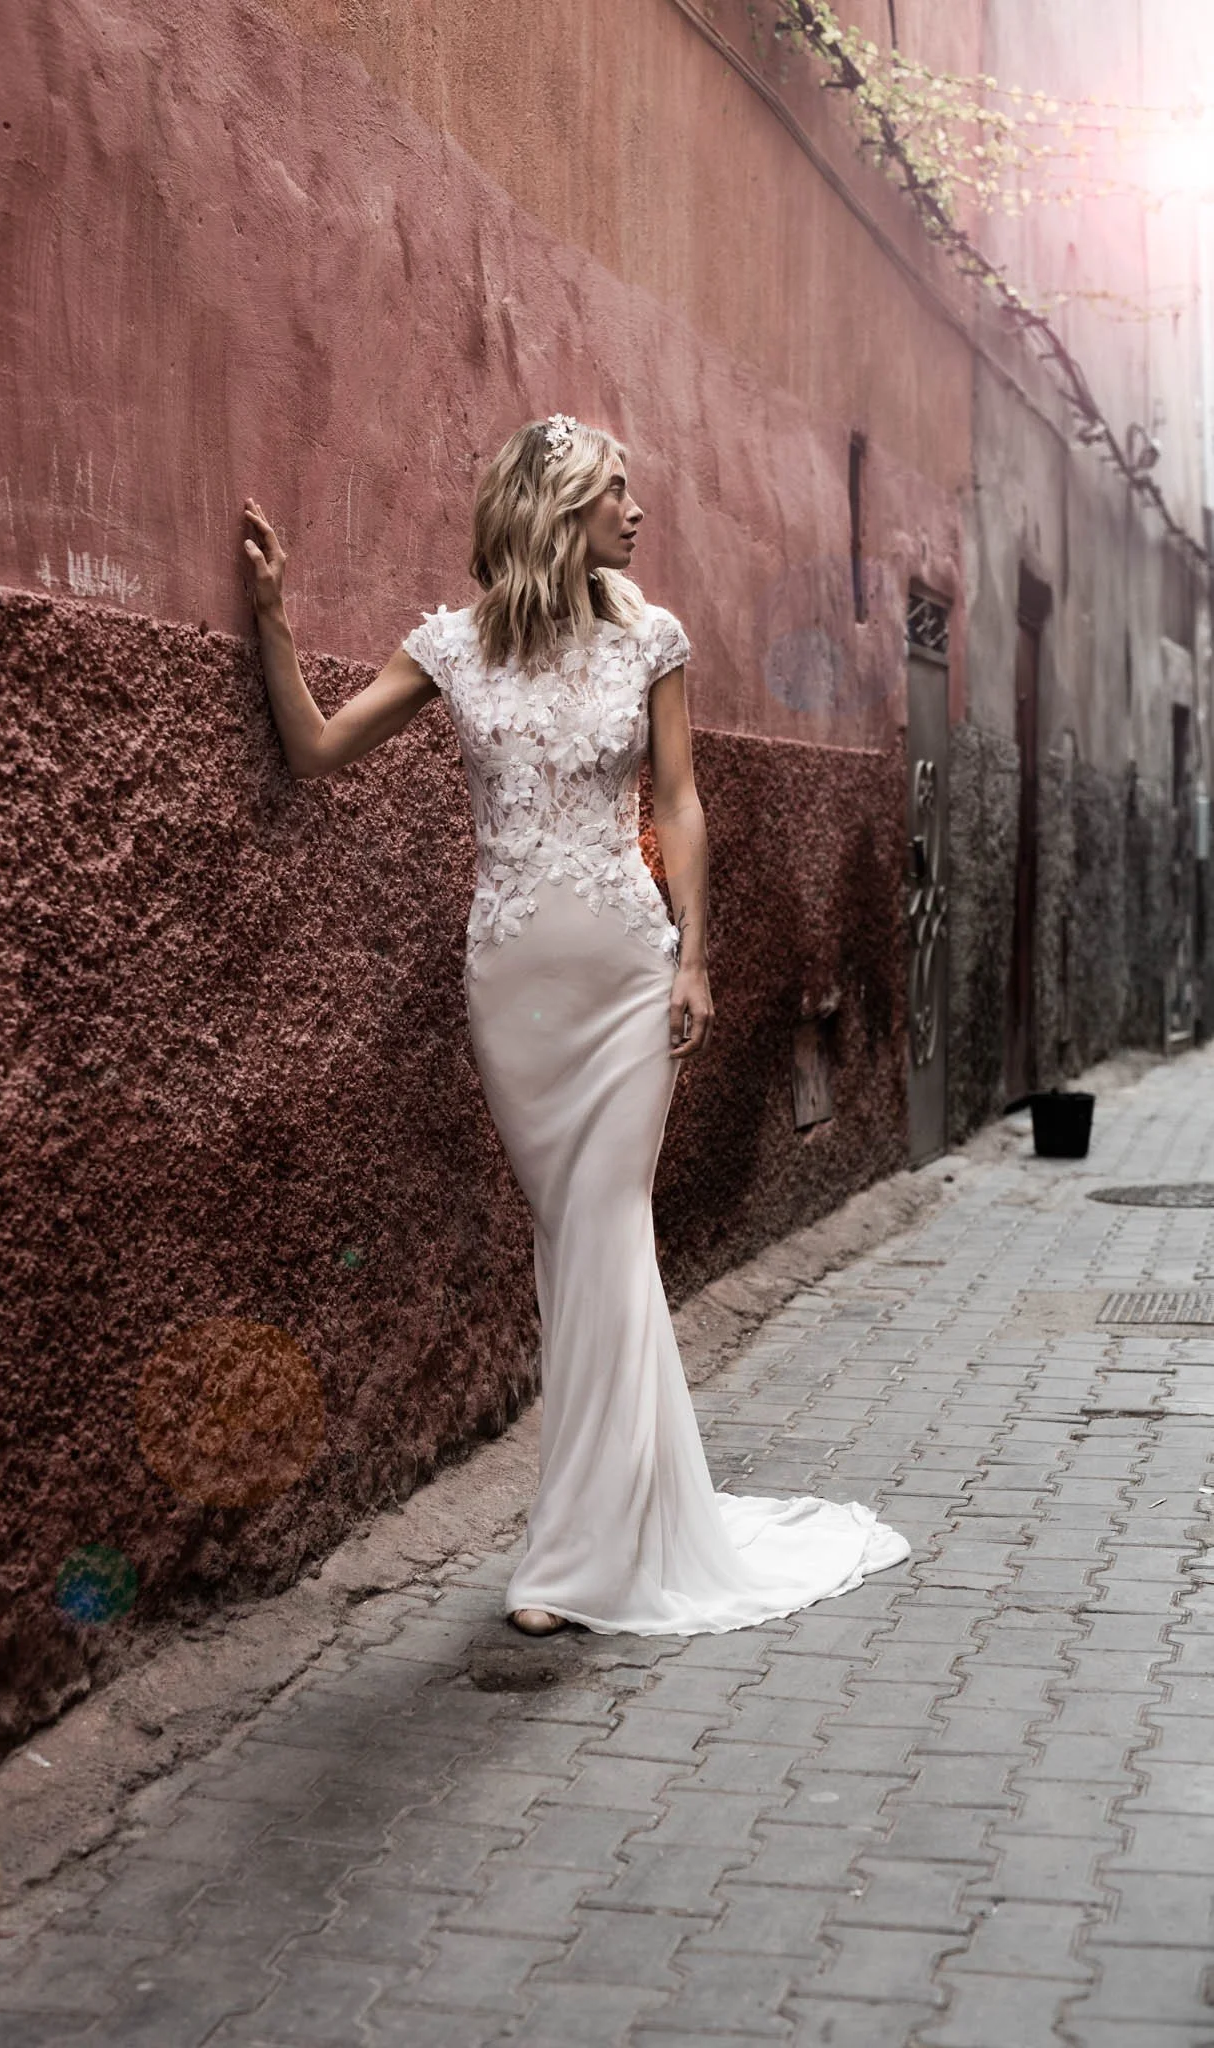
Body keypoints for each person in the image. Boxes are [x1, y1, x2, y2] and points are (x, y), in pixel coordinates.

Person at [241, 414, 909, 1639]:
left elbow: (678, 801)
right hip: (513, 987)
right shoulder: (450, 647)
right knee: (575, 1242)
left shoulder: (650, 638)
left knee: (603, 1228)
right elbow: (318, 747)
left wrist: (693, 956)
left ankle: (570, 1554)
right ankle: (639, 1514)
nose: (635, 508)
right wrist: (275, 621)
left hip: (626, 973)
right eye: (613, 490)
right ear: (554, 507)